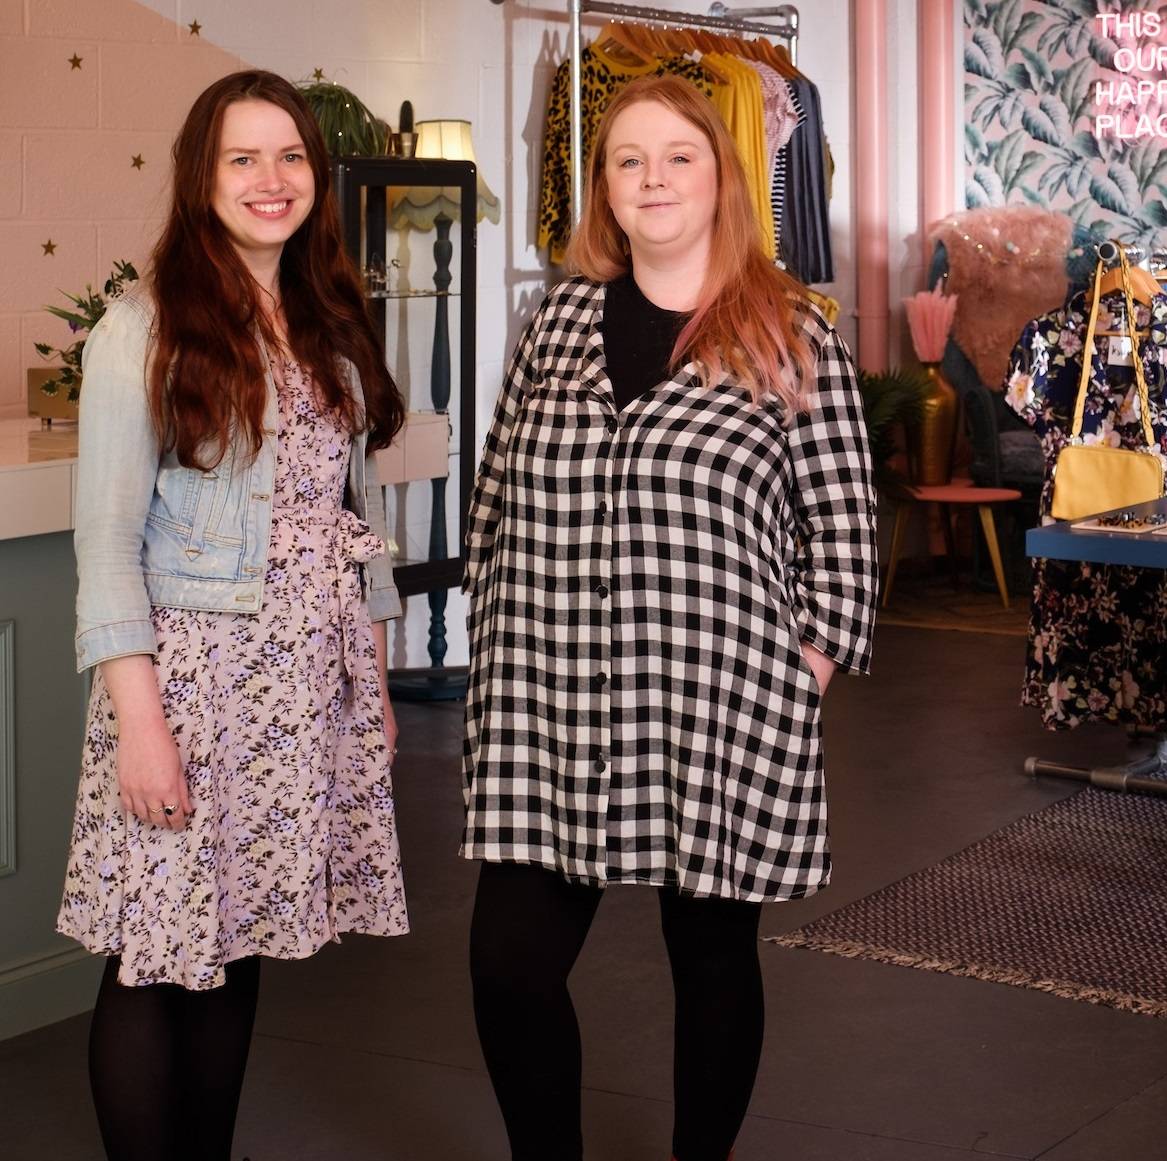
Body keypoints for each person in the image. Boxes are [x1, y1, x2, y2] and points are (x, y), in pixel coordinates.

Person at [462, 74, 878, 1161]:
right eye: (627, 160)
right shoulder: (554, 322)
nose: (652, 179)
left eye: (677, 157)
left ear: (722, 178)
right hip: (547, 698)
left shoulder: (789, 334)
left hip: (718, 701)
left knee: (709, 956)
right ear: (603, 186)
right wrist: (491, 637)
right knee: (509, 962)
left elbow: (841, 531)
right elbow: (498, 489)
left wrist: (800, 678)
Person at [59, 69, 409, 1161]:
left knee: (240, 935)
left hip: (305, 682)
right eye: (241, 158)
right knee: (154, 952)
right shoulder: (144, 325)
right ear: (200, 178)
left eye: (291, 156)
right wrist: (144, 727)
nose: (272, 180)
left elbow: (352, 513)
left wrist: (376, 685)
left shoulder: (326, 318)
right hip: (192, 685)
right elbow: (106, 543)